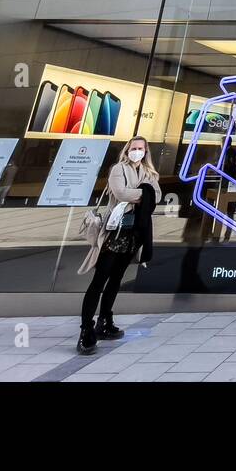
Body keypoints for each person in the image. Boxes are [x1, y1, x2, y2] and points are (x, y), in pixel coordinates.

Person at [77, 136, 161, 355]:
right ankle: (86, 329)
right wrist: (146, 194)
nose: (137, 151)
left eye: (141, 148)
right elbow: (120, 193)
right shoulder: (118, 169)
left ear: (146, 151)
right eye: (134, 148)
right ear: (128, 149)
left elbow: (157, 196)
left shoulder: (149, 173)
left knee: (116, 279)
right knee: (99, 279)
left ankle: (104, 320)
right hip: (114, 232)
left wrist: (143, 195)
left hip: (134, 233)